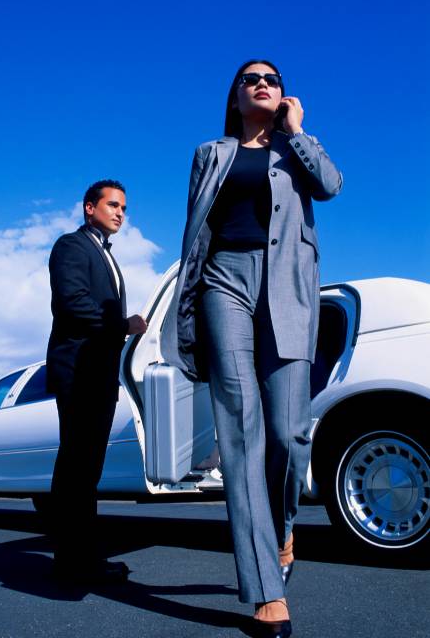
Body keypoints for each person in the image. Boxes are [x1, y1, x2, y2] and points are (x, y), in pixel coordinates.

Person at [161, 60, 342, 636]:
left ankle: (282, 529)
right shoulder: (210, 153)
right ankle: (266, 587)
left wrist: (297, 131)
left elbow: (331, 186)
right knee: (240, 430)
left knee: (289, 433)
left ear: (284, 95)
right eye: (250, 79)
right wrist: (187, 304)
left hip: (288, 285)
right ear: (235, 98)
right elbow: (197, 231)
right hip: (224, 282)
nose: (262, 83)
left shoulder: (296, 149)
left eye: (272, 79)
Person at [46, 179, 147, 585]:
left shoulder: (107, 256)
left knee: (87, 471)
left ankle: (81, 559)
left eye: (124, 207)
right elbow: (72, 303)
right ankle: (70, 562)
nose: (120, 213)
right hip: (78, 371)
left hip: (100, 375)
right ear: (90, 207)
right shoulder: (71, 246)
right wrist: (124, 325)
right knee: (76, 467)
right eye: (113, 205)